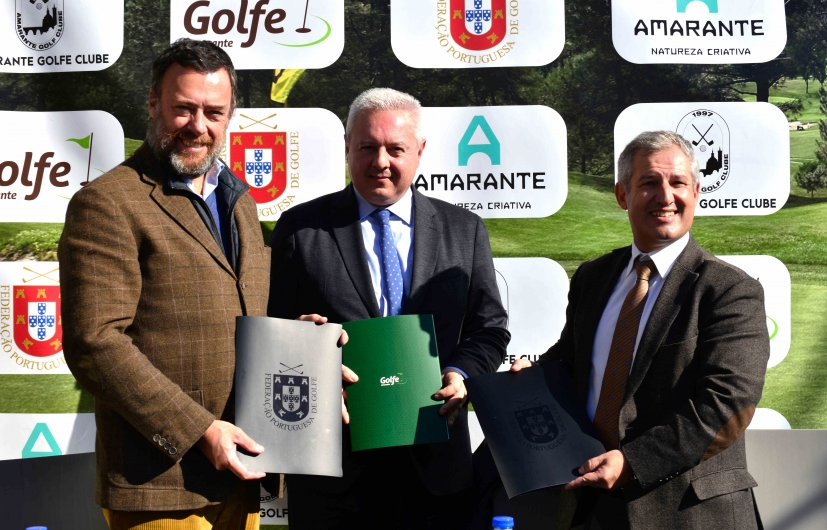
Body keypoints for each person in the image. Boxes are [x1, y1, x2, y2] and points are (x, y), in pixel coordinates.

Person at [267, 88, 510, 528]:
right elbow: (273, 334)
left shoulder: (464, 230)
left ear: (419, 152)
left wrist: (461, 375)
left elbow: (488, 328)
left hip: (435, 472)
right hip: (332, 472)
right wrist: (305, 349)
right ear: (347, 148)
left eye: (395, 148)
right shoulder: (300, 229)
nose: (381, 161)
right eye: (367, 147)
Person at [59, 38, 273, 529]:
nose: (199, 126)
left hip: (243, 469)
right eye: (184, 109)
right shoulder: (108, 202)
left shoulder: (239, 200)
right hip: (160, 486)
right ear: (154, 105)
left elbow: (244, 312)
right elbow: (96, 343)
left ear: (230, 116)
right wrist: (199, 430)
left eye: (214, 112)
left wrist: (300, 341)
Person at [511, 130, 769, 529]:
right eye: (648, 183)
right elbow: (571, 362)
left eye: (678, 182)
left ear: (697, 191)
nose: (665, 196)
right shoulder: (593, 277)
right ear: (621, 196)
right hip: (589, 504)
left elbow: (728, 403)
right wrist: (531, 380)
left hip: (689, 513)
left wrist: (633, 462)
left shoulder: (729, 290)